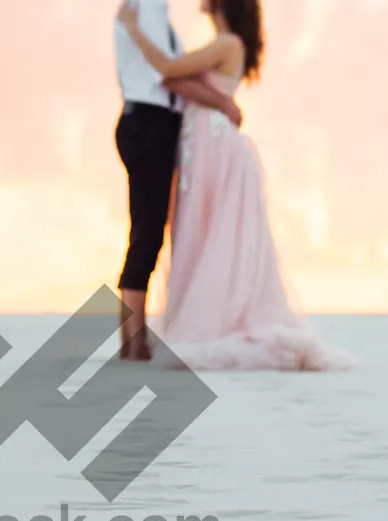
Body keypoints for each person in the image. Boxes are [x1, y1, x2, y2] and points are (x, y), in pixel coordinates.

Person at [117, 0, 353, 370]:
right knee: (200, 236)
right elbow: (175, 77)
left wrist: (132, 29)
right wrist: (219, 100)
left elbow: (165, 71)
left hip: (215, 149)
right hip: (203, 145)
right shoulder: (221, 44)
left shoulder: (227, 44)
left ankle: (180, 332)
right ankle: (151, 338)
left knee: (214, 237)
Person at [113, 0, 244, 360]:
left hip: (154, 124)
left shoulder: (155, 13)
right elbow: (167, 74)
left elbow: (170, 74)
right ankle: (132, 343)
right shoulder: (146, 10)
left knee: (149, 229)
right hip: (149, 123)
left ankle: (133, 341)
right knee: (148, 231)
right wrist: (222, 102)